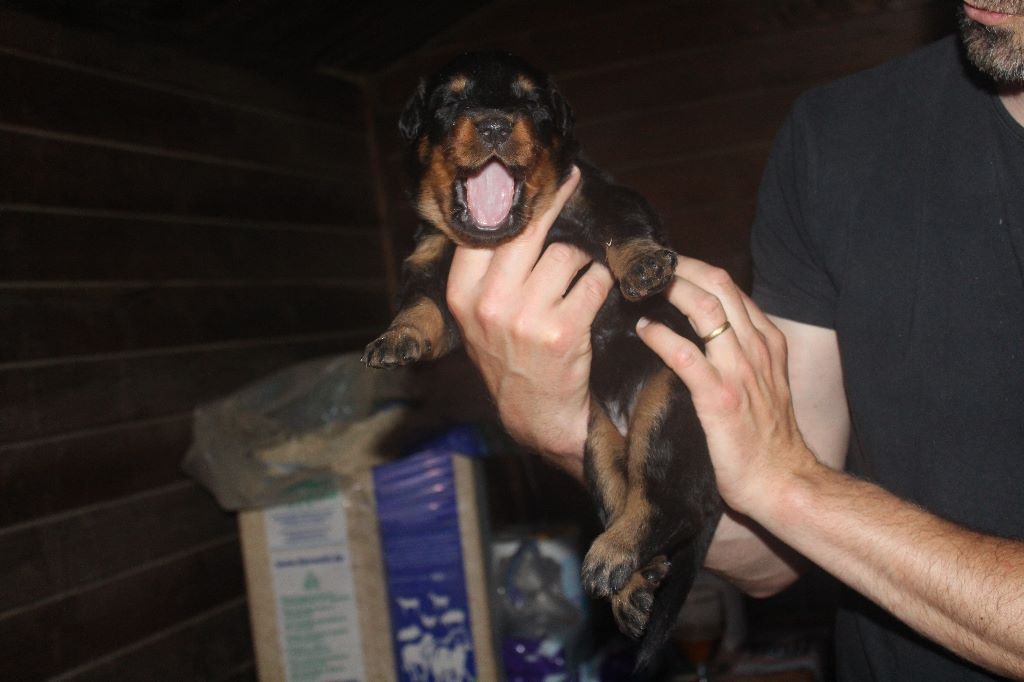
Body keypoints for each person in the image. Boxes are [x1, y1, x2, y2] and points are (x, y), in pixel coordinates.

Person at [444, 2, 1024, 680]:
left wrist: (796, 487)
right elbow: (773, 554)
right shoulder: (837, 135)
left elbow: (791, 490)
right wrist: (568, 427)